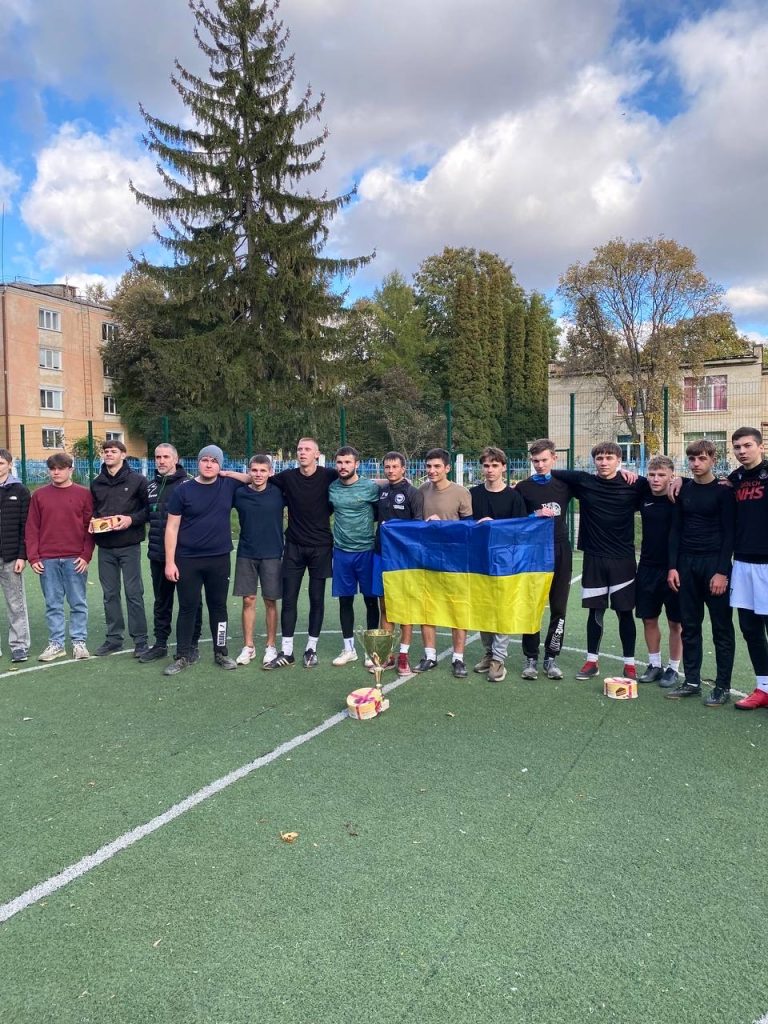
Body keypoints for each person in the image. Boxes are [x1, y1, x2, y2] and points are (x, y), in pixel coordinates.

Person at [552, 442, 644, 681]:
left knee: (625, 613)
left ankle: (630, 664)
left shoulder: (635, 484)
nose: (604, 462)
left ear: (619, 460)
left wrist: (676, 481)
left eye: (609, 458)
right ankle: (592, 661)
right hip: (593, 558)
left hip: (623, 559)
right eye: (599, 458)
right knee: (596, 612)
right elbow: (550, 471)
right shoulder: (585, 481)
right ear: (594, 461)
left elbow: (663, 482)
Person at [163, 445, 245, 675]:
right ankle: (183, 655)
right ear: (198, 462)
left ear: (220, 465)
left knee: (218, 607)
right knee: (187, 607)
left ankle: (221, 652)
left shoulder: (228, 485)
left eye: (214, 461)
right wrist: (170, 562)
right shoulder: (183, 490)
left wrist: (228, 473)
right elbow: (172, 527)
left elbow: (252, 478)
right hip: (188, 559)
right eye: (205, 460)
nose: (209, 464)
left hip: (219, 559)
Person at [666, 440, 735, 705]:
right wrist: (673, 567)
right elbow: (675, 530)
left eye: (702, 458)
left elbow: (729, 534)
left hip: (714, 565)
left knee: (721, 629)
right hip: (686, 565)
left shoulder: (724, 492)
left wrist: (722, 571)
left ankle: (722, 686)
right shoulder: (683, 489)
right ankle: (692, 681)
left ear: (713, 460)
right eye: (692, 459)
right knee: (690, 626)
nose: (696, 464)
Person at [264, 438, 338, 670]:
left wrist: (394, 480)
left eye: (307, 449)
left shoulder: (329, 475)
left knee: (316, 599)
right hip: (294, 546)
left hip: (321, 547)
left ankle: (311, 649)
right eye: (299, 449)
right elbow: (258, 478)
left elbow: (356, 479)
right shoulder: (287, 477)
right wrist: (226, 474)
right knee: (289, 599)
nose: (302, 452)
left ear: (317, 454)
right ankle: (287, 652)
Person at [25, 452, 95, 661]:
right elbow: (32, 528)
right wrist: (34, 557)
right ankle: (56, 644)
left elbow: (90, 527)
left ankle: (79, 643)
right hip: (47, 559)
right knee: (53, 604)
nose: (56, 472)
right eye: (52, 469)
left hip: (75, 559)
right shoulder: (39, 495)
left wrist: (86, 555)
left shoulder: (84, 494)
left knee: (78, 603)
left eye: (60, 468)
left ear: (70, 470)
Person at [514, 439, 574, 681]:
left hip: (560, 550)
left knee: (559, 607)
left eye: (544, 460)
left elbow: (597, 484)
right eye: (535, 461)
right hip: (534, 552)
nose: (539, 465)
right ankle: (530, 658)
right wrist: (534, 515)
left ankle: (551, 657)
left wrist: (623, 472)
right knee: (532, 606)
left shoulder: (565, 485)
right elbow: (516, 520)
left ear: (554, 458)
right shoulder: (523, 487)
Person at [140, 443, 202, 663]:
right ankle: (160, 644)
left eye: (166, 456)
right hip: (158, 554)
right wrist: (125, 519)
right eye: (158, 457)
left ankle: (192, 644)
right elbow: (144, 515)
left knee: (191, 602)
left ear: (176, 459)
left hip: (185, 556)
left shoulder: (190, 484)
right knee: (161, 601)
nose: (161, 461)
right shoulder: (150, 486)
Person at [470, 447, 527, 683]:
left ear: (504, 467)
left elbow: (520, 531)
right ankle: (488, 653)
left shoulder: (514, 497)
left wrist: (495, 525)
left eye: (495, 465)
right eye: (486, 465)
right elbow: (464, 525)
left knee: (502, 610)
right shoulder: (473, 494)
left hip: (505, 563)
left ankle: (499, 659)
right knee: (483, 608)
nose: (490, 470)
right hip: (479, 561)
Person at [415, 448, 473, 678]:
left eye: (437, 466)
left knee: (457, 608)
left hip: (455, 561)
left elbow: (469, 529)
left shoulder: (461, 492)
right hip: (427, 560)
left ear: (447, 468)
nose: (432, 470)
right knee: (427, 607)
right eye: (429, 466)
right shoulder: (421, 491)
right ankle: (430, 655)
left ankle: (458, 658)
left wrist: (444, 525)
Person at [90, 439, 149, 657]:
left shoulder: (138, 480)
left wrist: (130, 520)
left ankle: (140, 640)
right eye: (106, 451)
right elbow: (93, 510)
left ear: (123, 455)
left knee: (134, 593)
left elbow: (148, 510)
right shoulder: (97, 483)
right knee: (110, 594)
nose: (109, 454)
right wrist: (92, 521)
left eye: (113, 451)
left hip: (129, 545)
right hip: (105, 547)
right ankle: (114, 639)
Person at [326, 446, 380, 666]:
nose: (343, 466)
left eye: (348, 462)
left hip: (366, 551)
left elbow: (379, 512)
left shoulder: (370, 487)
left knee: (370, 600)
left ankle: (371, 650)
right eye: (339, 462)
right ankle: (349, 649)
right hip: (341, 552)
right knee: (345, 600)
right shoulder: (332, 488)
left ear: (357, 464)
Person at [373, 451, 424, 676]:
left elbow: (418, 526)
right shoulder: (382, 491)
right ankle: (387, 655)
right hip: (381, 554)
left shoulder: (413, 493)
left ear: (404, 469)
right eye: (387, 467)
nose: (391, 470)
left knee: (404, 609)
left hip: (404, 560)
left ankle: (403, 656)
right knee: (385, 607)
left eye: (395, 467)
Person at [728, 427, 768, 710]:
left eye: (747, 445)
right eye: (737, 447)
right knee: (750, 629)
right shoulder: (735, 479)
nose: (741, 451)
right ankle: (763, 688)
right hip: (742, 564)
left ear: (760, 446)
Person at [232, 454, 285, 667]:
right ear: (249, 472)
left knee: (270, 600)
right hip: (246, 552)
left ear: (270, 472)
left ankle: (271, 646)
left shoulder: (279, 492)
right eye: (254, 470)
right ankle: (248, 646)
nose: (258, 474)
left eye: (263, 470)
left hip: (272, 553)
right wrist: (225, 472)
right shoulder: (239, 494)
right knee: (248, 600)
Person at [635, 455, 682, 689]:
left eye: (661, 475)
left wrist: (683, 481)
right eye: (652, 474)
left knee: (676, 623)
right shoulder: (643, 495)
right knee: (649, 618)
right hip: (647, 567)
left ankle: (673, 668)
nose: (655, 479)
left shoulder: (680, 497)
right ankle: (654, 665)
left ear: (671, 476)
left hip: (675, 569)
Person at [0, 448, 31, 663]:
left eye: (1, 463)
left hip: (11, 557)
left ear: (10, 465)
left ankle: (19, 645)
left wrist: (22, 555)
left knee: (15, 603)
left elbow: (25, 527)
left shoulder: (20, 490)